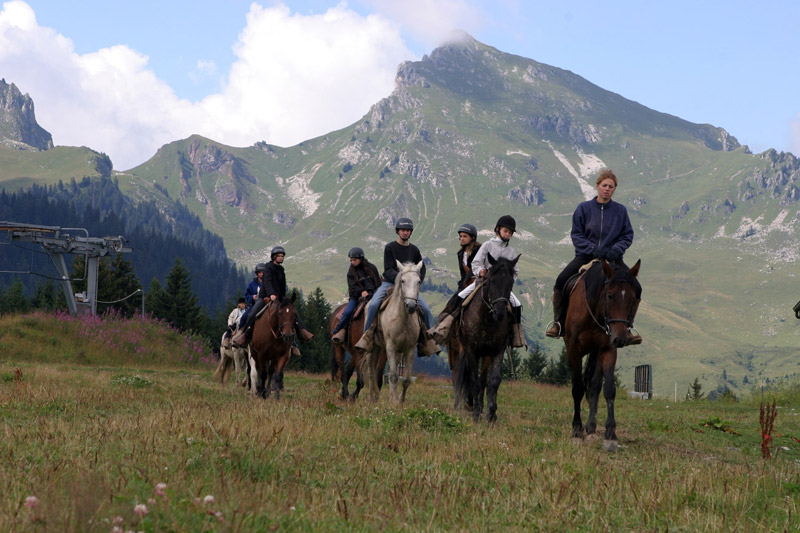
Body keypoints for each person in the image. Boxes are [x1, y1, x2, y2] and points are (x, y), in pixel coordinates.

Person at [545, 169, 642, 344]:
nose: (607, 189)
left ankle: (628, 327)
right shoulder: (583, 208)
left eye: (611, 187)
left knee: (637, 286)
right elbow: (576, 234)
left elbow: (627, 235)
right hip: (585, 257)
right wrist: (592, 249)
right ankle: (558, 322)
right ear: (597, 186)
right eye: (604, 185)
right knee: (561, 281)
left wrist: (616, 250)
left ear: (614, 189)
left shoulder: (620, 211)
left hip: (613, 259)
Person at [428, 215, 526, 348]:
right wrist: (480, 271)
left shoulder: (511, 252)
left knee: (517, 305)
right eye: (505, 231)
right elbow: (476, 263)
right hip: (483, 283)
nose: (508, 234)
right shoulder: (487, 245)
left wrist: (506, 283)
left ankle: (516, 335)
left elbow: (515, 272)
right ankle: (445, 327)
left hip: (501, 288)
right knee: (460, 297)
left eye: (510, 233)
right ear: (497, 230)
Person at [354, 217, 438, 356]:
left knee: (427, 310)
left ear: (411, 232)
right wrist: (400, 279)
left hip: (409, 285)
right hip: (389, 282)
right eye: (403, 230)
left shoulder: (414, 250)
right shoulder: (390, 247)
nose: (405, 233)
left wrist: (416, 280)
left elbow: (421, 268)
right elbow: (388, 269)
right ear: (398, 231)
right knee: (373, 305)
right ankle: (366, 337)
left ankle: (428, 341)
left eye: (408, 230)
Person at [233, 246, 314, 349]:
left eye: (282, 256)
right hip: (265, 297)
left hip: (279, 297)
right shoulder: (268, 267)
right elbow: (267, 282)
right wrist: (271, 294)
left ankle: (301, 334)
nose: (281, 258)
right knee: (252, 314)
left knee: (292, 312)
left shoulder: (281, 269)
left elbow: (282, 285)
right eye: (279, 256)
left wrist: (284, 298)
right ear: (274, 257)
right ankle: (244, 336)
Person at [331, 247, 382, 344]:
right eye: (351, 260)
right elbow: (352, 288)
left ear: (361, 259)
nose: (352, 262)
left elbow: (378, 283)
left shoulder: (372, 268)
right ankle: (337, 331)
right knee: (347, 312)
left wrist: (373, 292)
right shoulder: (351, 272)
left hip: (374, 295)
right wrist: (361, 292)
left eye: (355, 260)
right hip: (357, 297)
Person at [237, 263, 265, 330]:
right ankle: (241, 334)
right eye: (259, 272)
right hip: (255, 305)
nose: (261, 274)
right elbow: (247, 296)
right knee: (244, 317)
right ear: (257, 273)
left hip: (268, 304)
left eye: (263, 272)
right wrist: (253, 297)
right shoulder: (252, 284)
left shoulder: (269, 282)